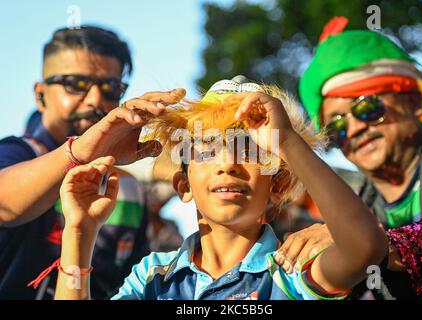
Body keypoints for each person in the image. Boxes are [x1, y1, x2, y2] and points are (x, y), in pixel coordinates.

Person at [54, 76, 388, 300]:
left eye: (251, 150)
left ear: (279, 183)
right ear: (183, 185)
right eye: (207, 150)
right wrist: (79, 234)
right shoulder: (153, 276)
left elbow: (365, 248)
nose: (228, 164)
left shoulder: (294, 272)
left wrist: (285, 140)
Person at [0, 26, 183, 299]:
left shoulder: (128, 187)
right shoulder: (17, 153)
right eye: (76, 84)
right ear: (40, 94)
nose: (96, 99)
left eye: (111, 88)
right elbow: (5, 204)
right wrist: (80, 153)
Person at [276, 17, 422, 299]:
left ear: (411, 100)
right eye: (337, 125)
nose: (355, 128)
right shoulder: (358, 206)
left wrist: (366, 241)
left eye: (367, 107)